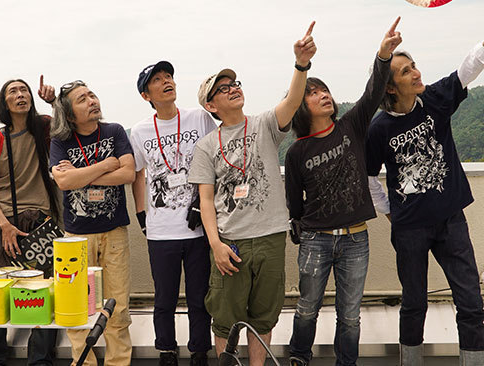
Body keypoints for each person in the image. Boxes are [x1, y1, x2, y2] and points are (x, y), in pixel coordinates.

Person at [188, 22, 317, 365]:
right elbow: (205, 201)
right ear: (211, 105)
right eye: (223, 88)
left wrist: (301, 64)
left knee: (264, 316)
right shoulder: (206, 146)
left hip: (271, 237)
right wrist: (215, 244)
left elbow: (291, 101)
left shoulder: (263, 125)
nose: (232, 90)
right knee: (225, 317)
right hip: (231, 242)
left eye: (235, 84)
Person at [285, 18, 402, 366]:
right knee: (306, 308)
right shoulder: (297, 152)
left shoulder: (352, 126)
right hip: (315, 240)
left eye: (323, 90)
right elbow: (295, 202)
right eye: (312, 93)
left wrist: (382, 55)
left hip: (356, 240)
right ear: (301, 107)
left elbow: (373, 91)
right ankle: (299, 357)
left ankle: (345, 363)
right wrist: (298, 228)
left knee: (349, 315)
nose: (322, 95)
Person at [366, 39, 484, 365]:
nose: (417, 73)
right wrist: (391, 212)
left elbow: (468, 67)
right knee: (414, 304)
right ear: (390, 87)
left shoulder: (433, 100)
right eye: (406, 71)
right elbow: (367, 177)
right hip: (410, 230)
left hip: (451, 220)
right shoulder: (379, 129)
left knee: (471, 302)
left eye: (414, 65)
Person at [130, 61, 216, 366]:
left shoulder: (199, 118)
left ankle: (199, 351)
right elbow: (138, 173)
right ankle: (166, 350)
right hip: (161, 230)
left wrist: (203, 204)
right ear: (146, 95)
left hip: (197, 226)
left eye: (169, 76)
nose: (167, 81)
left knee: (199, 297)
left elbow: (215, 159)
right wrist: (142, 216)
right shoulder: (139, 131)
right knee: (163, 298)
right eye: (157, 80)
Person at [49, 80, 135, 366]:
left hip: (114, 232)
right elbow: (63, 181)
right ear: (69, 114)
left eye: (92, 95)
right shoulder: (60, 141)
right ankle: (83, 363)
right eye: (82, 99)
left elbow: (128, 174)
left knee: (118, 307)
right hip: (75, 237)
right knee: (77, 306)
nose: (92, 101)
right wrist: (105, 165)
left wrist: (81, 175)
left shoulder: (114, 131)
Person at [0, 77, 59, 365]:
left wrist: (53, 100)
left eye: (24, 90)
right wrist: (4, 226)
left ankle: (40, 360)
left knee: (44, 290)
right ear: (5, 102)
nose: (20, 94)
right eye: (13, 91)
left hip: (40, 221)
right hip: (4, 222)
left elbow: (69, 127)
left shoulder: (45, 127)